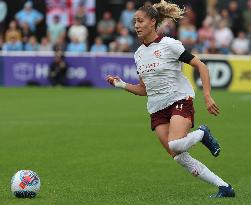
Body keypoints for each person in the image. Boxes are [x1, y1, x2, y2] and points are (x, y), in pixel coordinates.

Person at [106, 0, 235, 198]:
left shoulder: (170, 45)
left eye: (140, 21)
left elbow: (202, 66)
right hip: (157, 109)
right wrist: (121, 84)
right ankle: (224, 187)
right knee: (179, 157)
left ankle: (201, 133)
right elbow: (144, 90)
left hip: (179, 100)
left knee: (175, 144)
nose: (136, 26)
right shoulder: (139, 54)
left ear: (152, 21)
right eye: (134, 22)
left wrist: (207, 96)